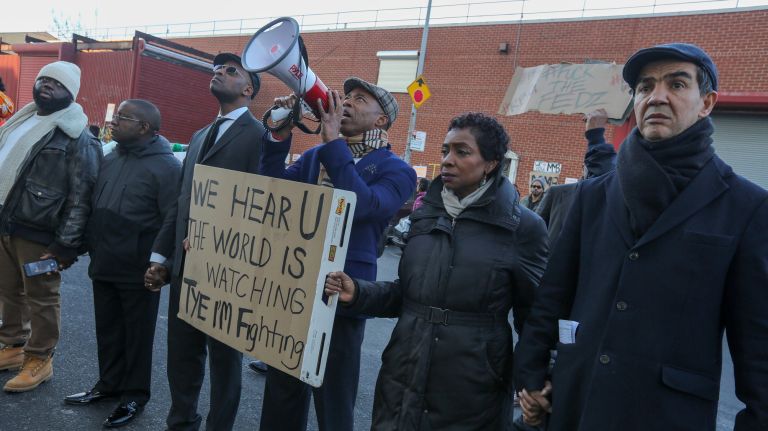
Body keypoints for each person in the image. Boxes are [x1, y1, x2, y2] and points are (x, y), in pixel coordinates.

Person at [515, 43, 768, 431]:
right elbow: (553, 295)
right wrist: (530, 378)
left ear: (707, 103)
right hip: (575, 404)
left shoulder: (745, 206)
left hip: (666, 415)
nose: (657, 96)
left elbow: (757, 348)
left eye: (677, 84)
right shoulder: (592, 195)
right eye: (645, 87)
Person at [324, 112, 548, 430]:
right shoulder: (425, 216)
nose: (447, 160)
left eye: (462, 151)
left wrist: (535, 384)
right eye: (445, 150)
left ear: (492, 163)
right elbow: (408, 294)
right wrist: (358, 292)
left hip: (472, 391)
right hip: (401, 378)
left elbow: (536, 319)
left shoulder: (522, 227)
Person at [256, 77, 416, 431]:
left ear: (381, 120)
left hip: (343, 291)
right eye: (346, 97)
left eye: (360, 99)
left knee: (333, 396)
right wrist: (279, 134)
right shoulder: (316, 155)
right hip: (294, 282)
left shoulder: (398, 170)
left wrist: (332, 143)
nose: (346, 102)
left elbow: (362, 206)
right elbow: (273, 190)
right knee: (282, 388)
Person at [143, 52, 265, 431]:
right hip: (185, 266)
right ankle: (181, 422)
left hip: (227, 271)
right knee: (182, 353)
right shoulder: (198, 136)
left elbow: (260, 209)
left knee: (224, 360)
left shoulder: (260, 137)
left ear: (248, 89)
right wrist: (161, 256)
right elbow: (180, 201)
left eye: (231, 71)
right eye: (217, 69)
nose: (219, 73)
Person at [64, 100, 181, 428]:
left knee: (137, 336)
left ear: (144, 127)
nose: (113, 122)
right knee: (108, 329)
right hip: (105, 261)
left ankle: (133, 396)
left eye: (123, 118)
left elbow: (173, 220)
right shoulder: (110, 155)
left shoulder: (168, 167)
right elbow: (93, 205)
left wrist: (163, 265)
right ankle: (109, 384)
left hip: (139, 269)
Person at [0, 61, 101, 392]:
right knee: (8, 290)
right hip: (7, 222)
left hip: (39, 231)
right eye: (43, 79)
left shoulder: (76, 135)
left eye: (56, 83)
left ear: (70, 93)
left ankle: (39, 358)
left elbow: (81, 196)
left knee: (42, 296)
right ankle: (13, 346)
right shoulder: (21, 120)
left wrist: (65, 245)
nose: (47, 85)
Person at [536, 109, 617, 245]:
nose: (592, 170)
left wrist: (596, 135)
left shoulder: (610, 199)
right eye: (589, 166)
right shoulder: (557, 193)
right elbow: (534, 229)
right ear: (582, 168)